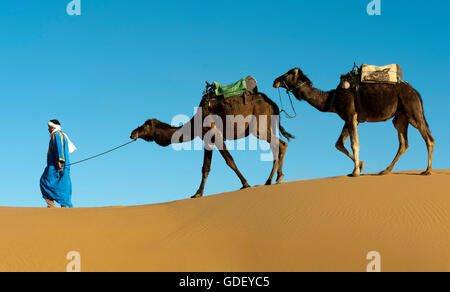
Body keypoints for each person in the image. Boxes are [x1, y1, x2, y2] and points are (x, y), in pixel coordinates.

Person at [40, 120, 77, 208]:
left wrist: (60, 162)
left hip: (56, 165)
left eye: (49, 127)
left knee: (46, 182)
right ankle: (60, 206)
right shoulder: (58, 135)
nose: (48, 129)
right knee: (61, 185)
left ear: (53, 127)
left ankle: (58, 206)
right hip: (57, 165)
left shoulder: (57, 135)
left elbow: (59, 148)